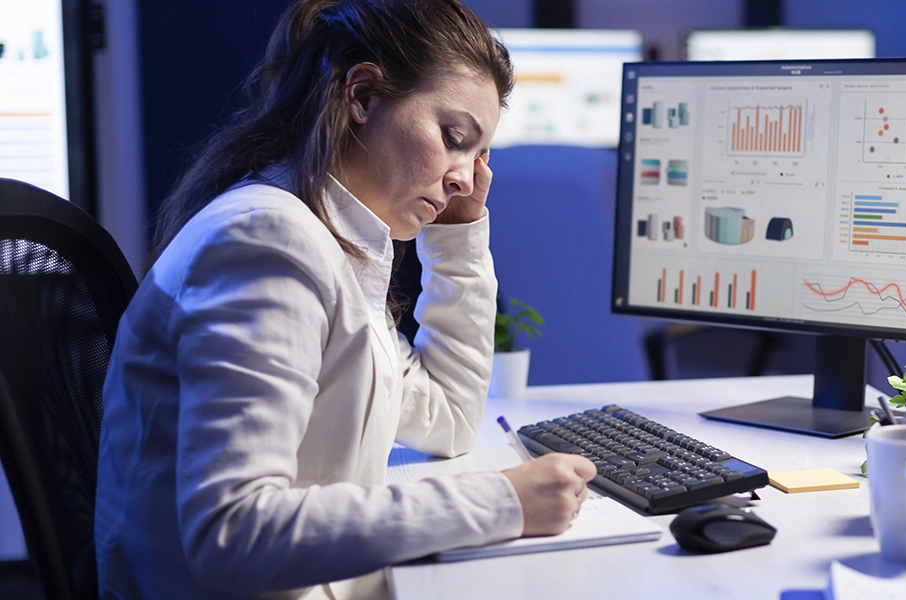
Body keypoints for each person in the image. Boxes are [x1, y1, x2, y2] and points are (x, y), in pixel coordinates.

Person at [94, 1, 596, 598]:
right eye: (453, 137)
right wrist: (502, 501)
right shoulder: (269, 243)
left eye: (477, 155)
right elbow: (230, 536)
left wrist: (458, 233)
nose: (466, 176)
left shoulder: (333, 244)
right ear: (361, 96)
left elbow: (450, 418)